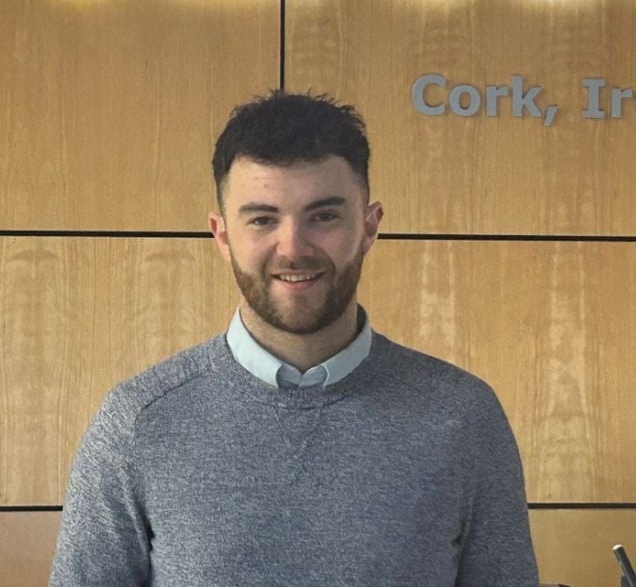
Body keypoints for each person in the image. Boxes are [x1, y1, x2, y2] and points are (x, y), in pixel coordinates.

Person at [50, 91, 538, 586]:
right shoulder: (139, 421)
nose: (293, 248)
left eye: (323, 216)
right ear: (222, 236)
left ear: (369, 227)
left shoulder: (462, 415)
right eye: (262, 219)